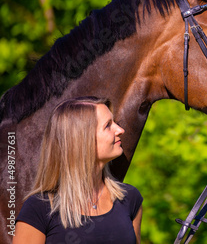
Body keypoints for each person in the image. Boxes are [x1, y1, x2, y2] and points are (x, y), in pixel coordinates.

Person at [14, 97, 143, 244]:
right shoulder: (38, 209)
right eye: (108, 125)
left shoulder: (130, 199)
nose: (120, 130)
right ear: (81, 139)